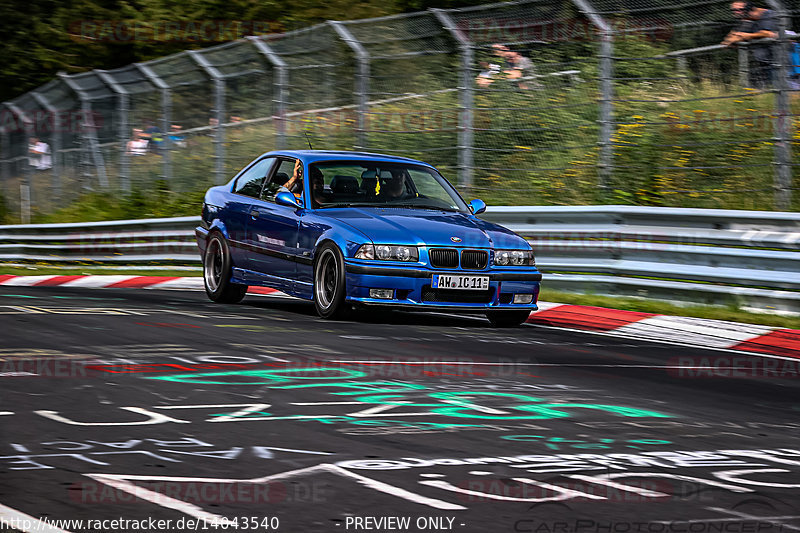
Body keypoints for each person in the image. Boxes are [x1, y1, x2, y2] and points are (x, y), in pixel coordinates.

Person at [722, 1, 777, 88]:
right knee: (772, 88)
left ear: (752, 10)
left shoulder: (768, 15)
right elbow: (728, 39)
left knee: (787, 88)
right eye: (733, 10)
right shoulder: (748, 19)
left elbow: (769, 34)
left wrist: (747, 36)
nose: (736, 12)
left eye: (740, 10)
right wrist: (737, 38)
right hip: (764, 61)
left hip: (779, 57)